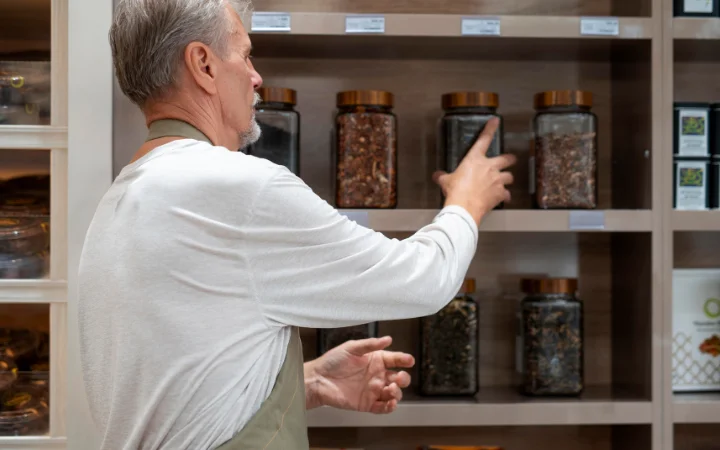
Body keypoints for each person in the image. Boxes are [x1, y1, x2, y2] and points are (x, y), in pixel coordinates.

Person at [77, 0, 516, 449]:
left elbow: (173, 392)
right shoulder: (235, 187)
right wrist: (467, 200)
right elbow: (424, 279)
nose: (256, 76)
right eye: (245, 54)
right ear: (203, 64)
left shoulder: (121, 201)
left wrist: (310, 382)